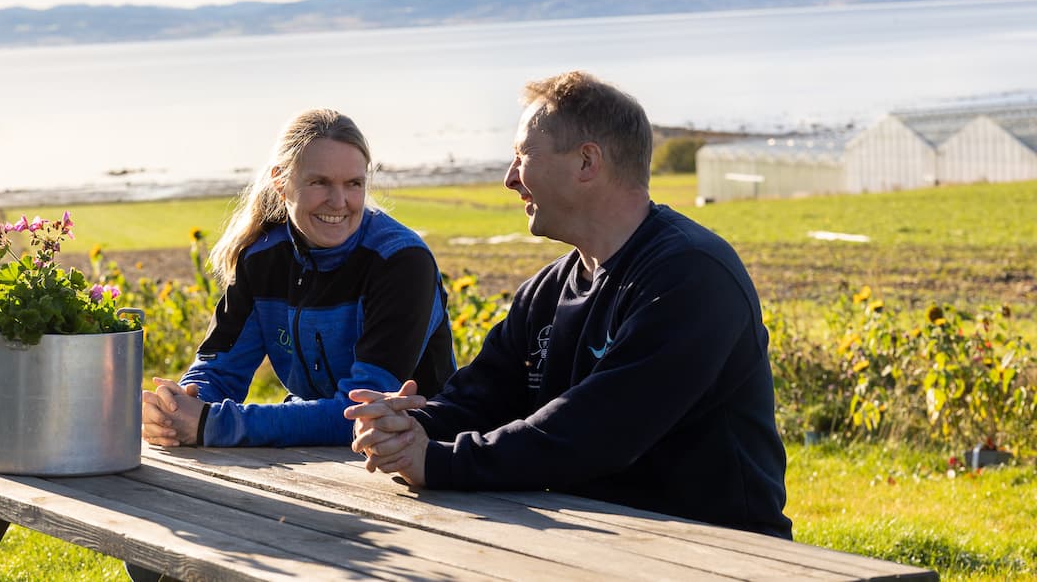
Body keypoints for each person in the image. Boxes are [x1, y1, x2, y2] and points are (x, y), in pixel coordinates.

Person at [344, 71, 793, 540]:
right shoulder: (548, 289)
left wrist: (437, 460)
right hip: (587, 536)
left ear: (586, 162)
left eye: (522, 156)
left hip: (717, 549)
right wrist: (405, 425)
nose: (509, 178)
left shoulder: (691, 276)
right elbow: (481, 396)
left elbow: (596, 431)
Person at [141, 108, 455, 448]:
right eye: (319, 182)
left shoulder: (401, 262)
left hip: (421, 454)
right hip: (314, 457)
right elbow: (219, 370)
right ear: (280, 181)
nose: (339, 202)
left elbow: (363, 413)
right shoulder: (260, 258)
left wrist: (210, 423)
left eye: (353, 184)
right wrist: (178, 406)